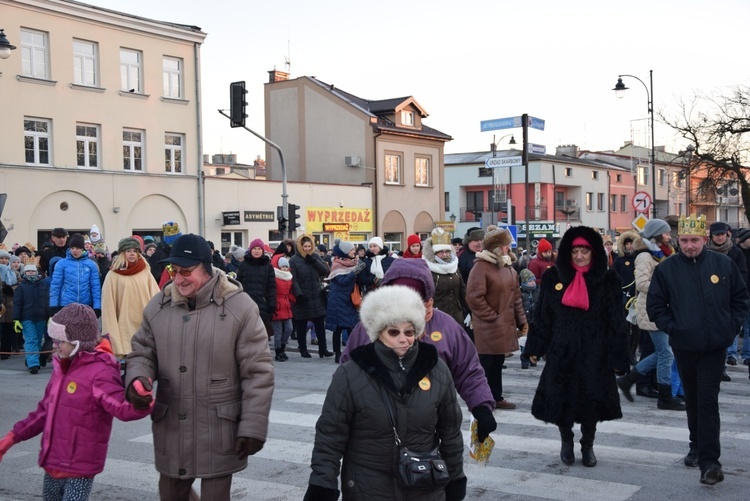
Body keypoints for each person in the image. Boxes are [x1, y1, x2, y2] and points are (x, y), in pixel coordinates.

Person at [125, 234, 274, 500]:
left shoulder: (240, 307)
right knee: (171, 494)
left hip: (218, 427)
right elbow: (142, 352)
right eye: (174, 271)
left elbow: (257, 371)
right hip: (172, 424)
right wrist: (138, 379)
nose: (179, 278)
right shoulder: (158, 306)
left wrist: (253, 426)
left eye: (187, 271)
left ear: (206, 268)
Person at [304, 286, 466, 501]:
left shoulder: (437, 370)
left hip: (425, 486)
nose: (403, 339)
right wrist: (322, 484)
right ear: (378, 332)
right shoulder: (350, 374)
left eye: (409, 332)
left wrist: (455, 477)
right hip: (368, 487)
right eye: (393, 332)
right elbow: (330, 435)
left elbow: (451, 431)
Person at [0, 303, 151, 500]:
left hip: (80, 466)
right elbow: (43, 412)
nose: (54, 345)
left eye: (60, 341)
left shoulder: (100, 371)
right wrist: (12, 437)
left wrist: (142, 399)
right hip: (53, 461)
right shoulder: (61, 367)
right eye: (53, 340)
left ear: (78, 342)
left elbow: (121, 408)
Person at [341, 258, 497, 444]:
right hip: (374, 430)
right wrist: (340, 413)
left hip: (428, 432)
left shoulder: (446, 327)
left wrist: (481, 406)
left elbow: (469, 370)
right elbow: (346, 373)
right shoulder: (369, 324)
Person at [647, 214, 749, 485]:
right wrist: (675, 328)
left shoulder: (723, 263)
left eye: (695, 240)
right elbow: (656, 306)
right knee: (692, 399)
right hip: (685, 345)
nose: (690, 245)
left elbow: (740, 298)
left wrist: (730, 328)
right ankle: (695, 444)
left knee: (707, 400)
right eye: (684, 240)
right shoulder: (667, 269)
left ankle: (710, 462)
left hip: (715, 346)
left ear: (704, 239)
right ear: (677, 241)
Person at [524, 226, 630, 468]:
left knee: (591, 401)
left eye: (584, 251)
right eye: (575, 252)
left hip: (596, 353)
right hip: (562, 351)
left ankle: (588, 445)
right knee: (563, 400)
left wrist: (618, 357)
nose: (580, 256)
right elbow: (542, 317)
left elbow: (616, 321)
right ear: (567, 254)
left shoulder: (607, 279)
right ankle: (566, 442)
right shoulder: (553, 278)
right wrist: (534, 348)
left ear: (593, 253)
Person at [616, 218, 686, 411]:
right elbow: (641, 283)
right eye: (665, 233)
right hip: (651, 309)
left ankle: (629, 380)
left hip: (663, 307)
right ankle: (665, 396)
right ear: (657, 234)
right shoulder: (645, 256)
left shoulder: (662, 253)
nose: (669, 236)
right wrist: (666, 290)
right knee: (665, 353)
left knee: (663, 353)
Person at [466, 225, 526, 410]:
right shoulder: (481, 267)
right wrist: (492, 317)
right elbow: (474, 297)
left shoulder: (508, 267)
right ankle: (482, 399)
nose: (509, 248)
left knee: (497, 362)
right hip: (488, 326)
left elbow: (516, 297)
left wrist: (522, 320)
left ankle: (496, 396)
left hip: (503, 326)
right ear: (497, 247)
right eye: (506, 245)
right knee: (486, 364)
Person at [101, 237, 160, 360]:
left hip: (144, 322)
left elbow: (155, 296)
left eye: (135, 251)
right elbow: (108, 305)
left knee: (144, 360)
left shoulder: (145, 272)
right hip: (124, 323)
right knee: (130, 358)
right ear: (122, 253)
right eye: (128, 251)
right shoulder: (113, 275)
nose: (132, 254)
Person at [706, 221, 748, 373]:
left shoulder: (734, 252)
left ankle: (722, 365)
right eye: (717, 235)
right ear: (712, 236)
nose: (720, 238)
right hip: (708, 296)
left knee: (724, 332)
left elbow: (742, 274)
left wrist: (736, 291)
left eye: (722, 234)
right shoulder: (705, 250)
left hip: (728, 296)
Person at [290, 234, 331, 358]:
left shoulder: (315, 257)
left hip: (316, 295)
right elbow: (293, 280)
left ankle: (323, 349)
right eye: (305, 246)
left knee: (319, 324)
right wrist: (299, 295)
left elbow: (325, 271)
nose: (307, 248)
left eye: (309, 246)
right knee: (301, 325)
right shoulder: (294, 260)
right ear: (300, 247)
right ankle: (303, 348)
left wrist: (314, 262)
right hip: (303, 296)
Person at [325, 241, 365, 363]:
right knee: (338, 329)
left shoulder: (353, 263)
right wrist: (355, 272)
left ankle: (351, 352)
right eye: (352, 250)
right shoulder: (337, 265)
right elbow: (343, 282)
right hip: (338, 301)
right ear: (345, 252)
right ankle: (338, 354)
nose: (355, 251)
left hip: (349, 300)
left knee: (351, 328)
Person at [49, 233, 102, 318]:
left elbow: (95, 287)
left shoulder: (91, 265)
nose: (74, 250)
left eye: (77, 248)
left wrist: (97, 307)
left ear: (82, 249)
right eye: (72, 248)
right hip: (65, 305)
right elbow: (55, 286)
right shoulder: (61, 264)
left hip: (85, 305)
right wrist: (53, 305)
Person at [422, 227, 467, 325]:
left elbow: (462, 290)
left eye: (447, 251)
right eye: (441, 252)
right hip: (437, 316)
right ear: (434, 253)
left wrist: (469, 311)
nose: (445, 255)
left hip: (457, 315)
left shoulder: (454, 267)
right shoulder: (428, 269)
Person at [12, 264, 50, 374]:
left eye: (32, 271)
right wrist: (16, 319)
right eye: (28, 271)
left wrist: (50, 315)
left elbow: (48, 301)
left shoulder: (44, 284)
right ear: (25, 273)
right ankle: (33, 364)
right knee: (31, 339)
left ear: (36, 272)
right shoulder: (21, 287)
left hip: (41, 317)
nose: (30, 273)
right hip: (26, 317)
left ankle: (31, 359)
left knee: (38, 340)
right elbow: (17, 303)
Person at [236, 239, 277, 340]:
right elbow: (238, 285)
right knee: (246, 335)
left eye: (259, 248)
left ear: (263, 251)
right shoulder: (243, 265)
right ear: (250, 250)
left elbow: (271, 286)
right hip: (246, 304)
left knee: (262, 335)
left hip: (263, 304)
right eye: (255, 248)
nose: (257, 251)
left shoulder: (268, 266)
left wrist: (272, 303)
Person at [731, 227, 750, 368]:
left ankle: (747, 354)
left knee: (748, 327)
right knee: (734, 325)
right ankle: (731, 354)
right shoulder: (735, 252)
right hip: (737, 294)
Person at [272, 257, 295, 362]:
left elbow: (289, 293)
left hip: (286, 305)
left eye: (286, 266)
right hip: (277, 306)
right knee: (278, 331)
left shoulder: (289, 277)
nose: (285, 269)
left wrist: (296, 299)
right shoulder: (275, 276)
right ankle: (278, 352)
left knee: (289, 328)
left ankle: (282, 348)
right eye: (283, 266)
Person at [518, 268, 538, 370]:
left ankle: (533, 358)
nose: (532, 283)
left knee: (534, 340)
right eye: (530, 281)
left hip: (535, 320)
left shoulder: (537, 291)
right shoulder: (520, 293)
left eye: (533, 280)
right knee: (524, 342)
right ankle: (524, 360)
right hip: (525, 320)